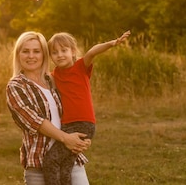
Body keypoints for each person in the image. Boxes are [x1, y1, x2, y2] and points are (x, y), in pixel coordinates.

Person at [43, 31, 131, 185]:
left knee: (51, 161)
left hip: (83, 124)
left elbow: (92, 51)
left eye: (64, 50)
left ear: (73, 52)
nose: (60, 55)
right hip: (66, 127)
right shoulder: (54, 75)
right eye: (54, 52)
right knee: (65, 166)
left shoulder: (80, 67)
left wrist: (112, 43)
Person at [6, 31, 92, 185]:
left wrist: (82, 138)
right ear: (18, 55)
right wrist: (67, 139)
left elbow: (75, 108)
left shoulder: (53, 80)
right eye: (25, 51)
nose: (31, 56)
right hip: (39, 162)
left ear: (44, 55)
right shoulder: (16, 86)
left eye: (36, 51)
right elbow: (35, 121)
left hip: (70, 156)